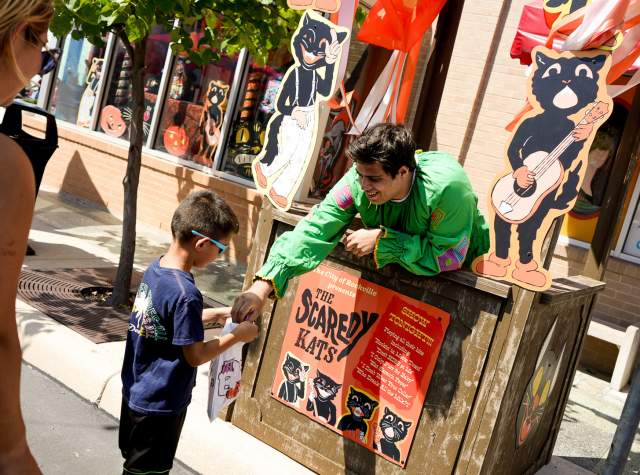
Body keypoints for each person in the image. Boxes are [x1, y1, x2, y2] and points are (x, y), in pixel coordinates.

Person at [231, 123, 490, 322]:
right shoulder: (357, 182)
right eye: (360, 174)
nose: (364, 185)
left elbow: (449, 256)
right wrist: (263, 285)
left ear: (402, 172)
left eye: (374, 179)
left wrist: (383, 240)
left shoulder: (448, 190)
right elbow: (319, 225)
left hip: (458, 292)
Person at [119, 191, 258, 474]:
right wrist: (237, 336)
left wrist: (218, 314)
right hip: (161, 403)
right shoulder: (186, 293)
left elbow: (167, 322)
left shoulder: (156, 269)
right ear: (203, 243)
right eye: (222, 249)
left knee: (135, 465)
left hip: (136, 392)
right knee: (148, 471)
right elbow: (195, 355)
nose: (221, 257)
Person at [0, 0, 55, 472]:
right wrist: (13, 450)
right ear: (20, 36)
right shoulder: (6, 168)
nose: (38, 69)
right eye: (43, 47)